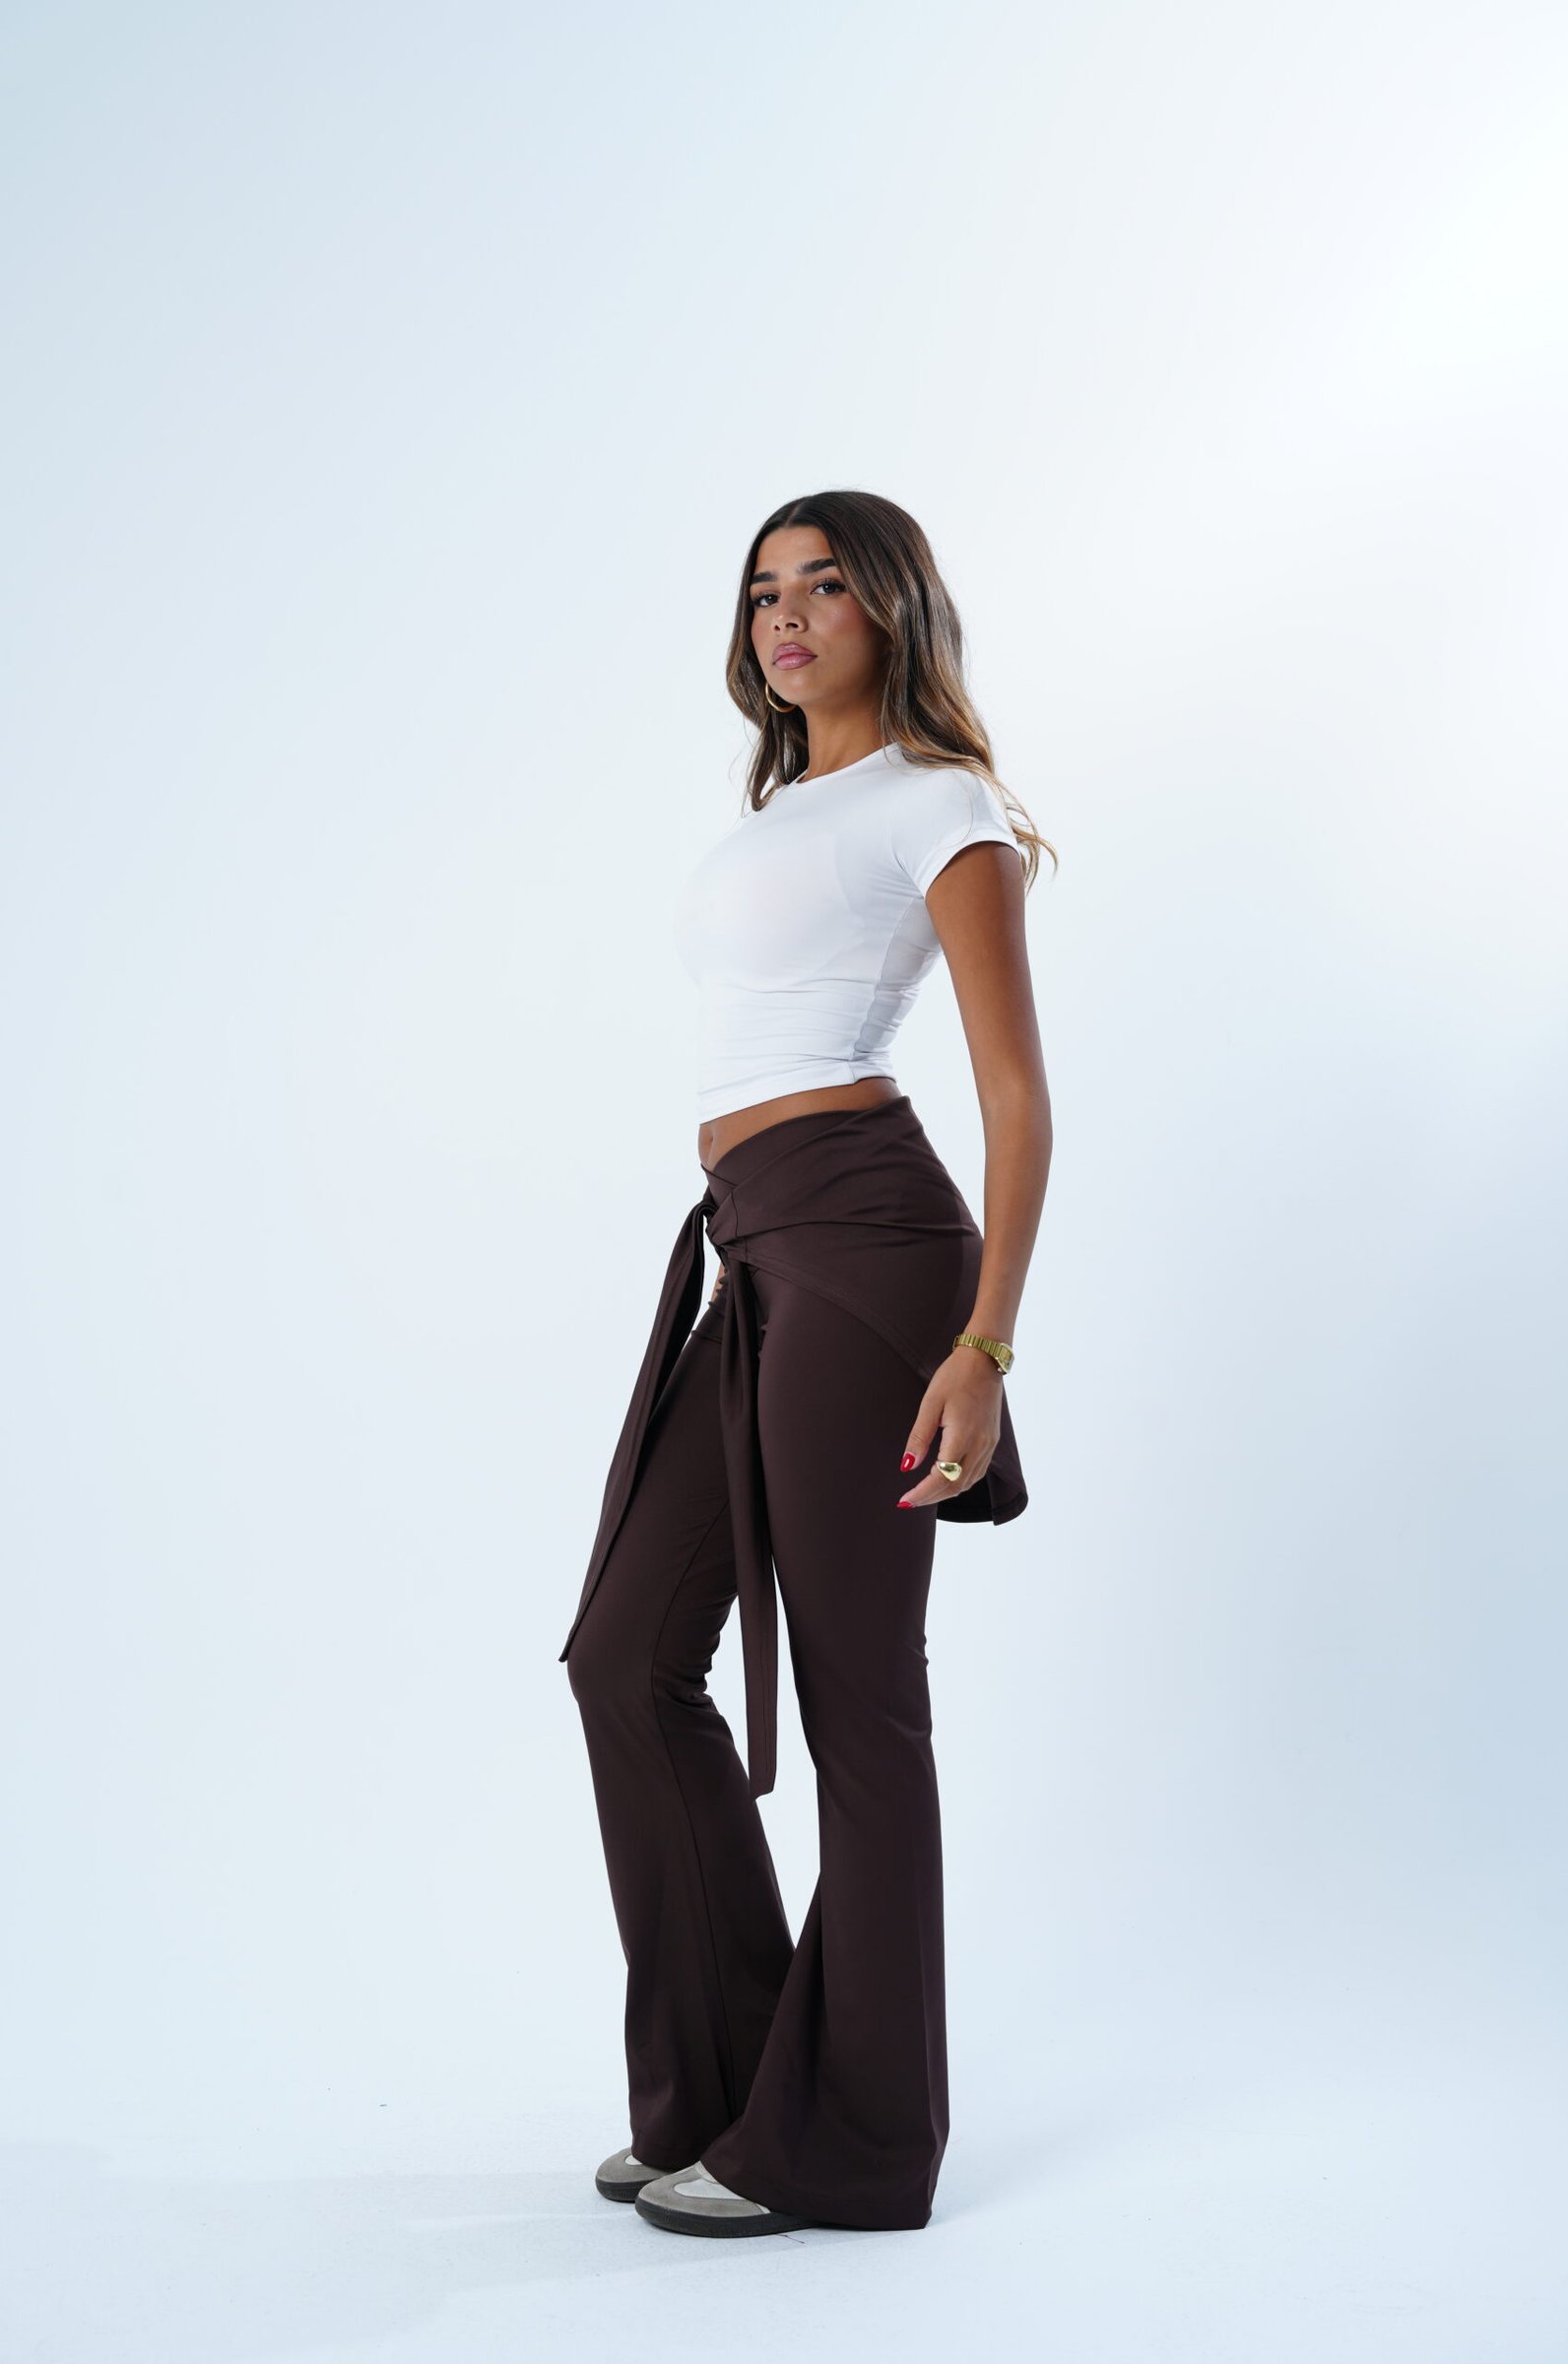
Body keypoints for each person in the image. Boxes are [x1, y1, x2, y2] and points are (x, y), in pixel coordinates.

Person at [559, 488, 1055, 2238]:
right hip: (756, 1242)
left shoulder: (942, 802)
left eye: (826, 583)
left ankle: (856, 2142)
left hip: (869, 1247)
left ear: (892, 607)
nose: (786, 613)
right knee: (624, 1658)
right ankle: (734, 2087)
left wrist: (984, 1346)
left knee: (862, 1703)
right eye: (765, 586)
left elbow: (1017, 1100)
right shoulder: (789, 806)